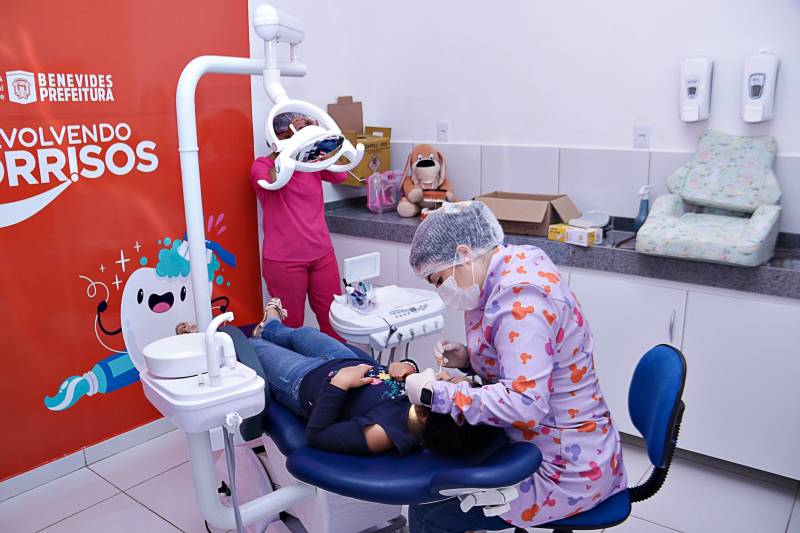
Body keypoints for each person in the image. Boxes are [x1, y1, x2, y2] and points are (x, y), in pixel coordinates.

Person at [403, 201, 628, 531]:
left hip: (565, 468)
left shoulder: (521, 299)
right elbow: (526, 358)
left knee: (428, 508)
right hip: (560, 442)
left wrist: (435, 394)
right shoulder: (512, 264)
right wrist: (467, 359)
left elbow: (525, 402)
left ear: (463, 254)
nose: (441, 291)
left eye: (438, 280)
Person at [248, 298, 502, 456]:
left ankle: (262, 334)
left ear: (429, 415)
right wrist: (406, 366)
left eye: (446, 381)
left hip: (304, 381)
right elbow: (397, 381)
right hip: (346, 359)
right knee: (302, 334)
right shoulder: (424, 400)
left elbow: (318, 435)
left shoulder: (385, 432)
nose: (443, 374)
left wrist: (339, 384)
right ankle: (270, 326)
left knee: (254, 348)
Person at [250, 113, 345, 340]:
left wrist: (321, 141)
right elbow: (271, 181)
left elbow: (341, 175)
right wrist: (292, 146)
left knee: (335, 323)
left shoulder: (310, 163)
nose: (297, 139)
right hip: (285, 261)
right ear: (276, 138)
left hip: (322, 255)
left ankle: (341, 362)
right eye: (290, 135)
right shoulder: (261, 165)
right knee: (289, 329)